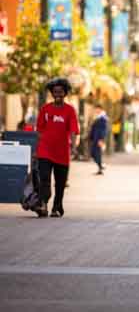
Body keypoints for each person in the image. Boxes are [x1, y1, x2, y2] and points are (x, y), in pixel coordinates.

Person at [35, 78, 80, 218]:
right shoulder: (45, 109)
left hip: (62, 152)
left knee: (60, 183)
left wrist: (72, 146)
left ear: (65, 93)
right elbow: (39, 130)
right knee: (44, 179)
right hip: (45, 151)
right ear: (52, 93)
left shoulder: (70, 110)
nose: (58, 94)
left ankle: (56, 206)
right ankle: (43, 204)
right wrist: (37, 150)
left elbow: (73, 130)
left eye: (60, 92)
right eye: (55, 92)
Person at [89, 104, 108, 175]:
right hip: (95, 138)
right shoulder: (98, 117)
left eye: (97, 109)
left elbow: (104, 129)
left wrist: (101, 139)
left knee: (96, 153)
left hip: (98, 139)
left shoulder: (103, 118)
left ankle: (100, 166)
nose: (96, 110)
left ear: (100, 109)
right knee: (95, 153)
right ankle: (100, 167)